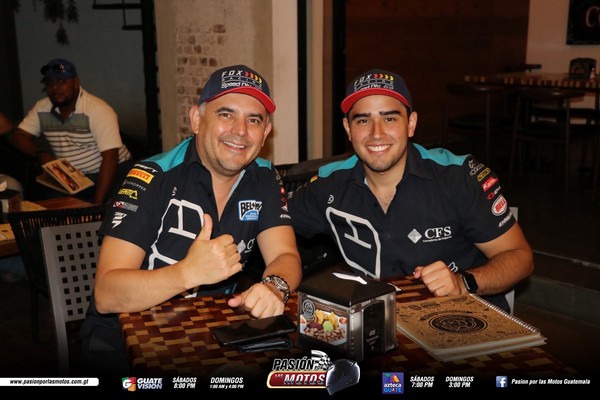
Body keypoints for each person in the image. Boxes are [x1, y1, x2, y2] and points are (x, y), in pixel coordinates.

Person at [80, 64, 302, 376]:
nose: (240, 130)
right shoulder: (151, 177)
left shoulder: (264, 177)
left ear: (265, 132)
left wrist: (275, 286)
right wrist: (187, 273)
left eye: (254, 120)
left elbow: (285, 255)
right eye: (226, 114)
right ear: (197, 119)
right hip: (123, 344)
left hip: (209, 337)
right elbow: (106, 294)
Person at [287, 68, 533, 312]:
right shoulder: (328, 185)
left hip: (468, 319)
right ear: (348, 129)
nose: (376, 133)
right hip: (378, 323)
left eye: (390, 119)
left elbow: (520, 257)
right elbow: (274, 223)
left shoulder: (458, 177)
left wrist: (463, 282)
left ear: (411, 124)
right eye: (363, 120)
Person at [8, 58, 133, 205]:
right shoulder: (42, 109)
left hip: (112, 171)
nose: (55, 87)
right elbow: (18, 136)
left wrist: (97, 206)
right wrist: (40, 154)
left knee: (111, 205)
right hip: (73, 177)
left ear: (75, 83)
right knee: (53, 201)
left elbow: (111, 158)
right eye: (50, 83)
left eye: (61, 81)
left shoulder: (97, 110)